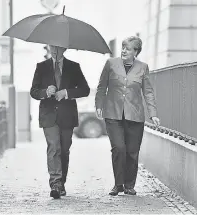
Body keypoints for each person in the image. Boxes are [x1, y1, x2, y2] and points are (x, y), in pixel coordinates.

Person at [95, 36, 160, 196]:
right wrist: (99, 104)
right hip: (113, 113)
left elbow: (148, 92)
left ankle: (129, 185)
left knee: (132, 151)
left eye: (128, 48)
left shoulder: (143, 67)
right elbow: (102, 86)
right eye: (123, 47)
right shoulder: (111, 63)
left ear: (135, 52)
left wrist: (153, 114)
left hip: (135, 116)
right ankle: (118, 184)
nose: (123, 50)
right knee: (119, 148)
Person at [30, 45, 90, 199]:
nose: (55, 49)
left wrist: (67, 92)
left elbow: (85, 89)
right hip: (48, 115)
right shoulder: (41, 67)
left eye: (58, 47)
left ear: (64, 48)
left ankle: (61, 182)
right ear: (49, 47)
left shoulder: (73, 67)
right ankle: (55, 184)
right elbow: (34, 91)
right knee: (54, 147)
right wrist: (45, 92)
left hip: (67, 115)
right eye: (52, 46)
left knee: (64, 150)